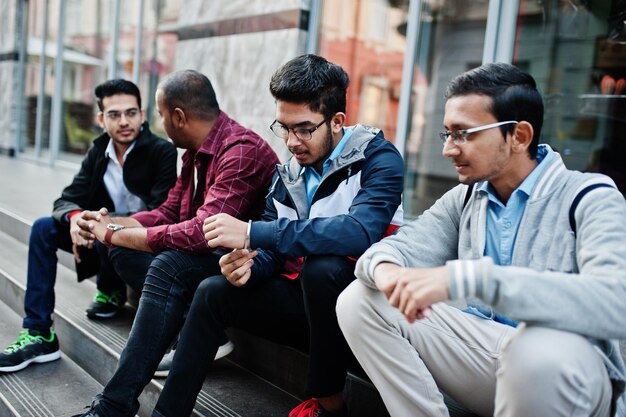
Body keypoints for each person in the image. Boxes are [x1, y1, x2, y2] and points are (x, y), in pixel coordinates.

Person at [336, 62, 626, 417]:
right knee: (359, 300)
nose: (448, 149)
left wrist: (469, 278)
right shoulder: (467, 197)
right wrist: (390, 275)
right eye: (447, 134)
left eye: (464, 133)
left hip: (565, 375)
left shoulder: (590, 197)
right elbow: (393, 249)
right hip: (489, 359)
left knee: (533, 350)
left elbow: (616, 304)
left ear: (519, 136)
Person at [145, 54, 405, 417]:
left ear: (337, 121)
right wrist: (249, 265)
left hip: (362, 311)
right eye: (283, 127)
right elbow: (270, 249)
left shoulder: (379, 159)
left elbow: (359, 232)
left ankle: (329, 406)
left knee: (323, 267)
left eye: (303, 129)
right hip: (304, 307)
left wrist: (253, 232)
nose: (291, 141)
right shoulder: (288, 173)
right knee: (212, 291)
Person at [71, 69, 280, 417]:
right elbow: (170, 212)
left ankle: (113, 406)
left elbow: (202, 233)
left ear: (178, 117)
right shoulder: (194, 153)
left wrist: (115, 232)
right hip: (209, 256)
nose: (159, 122)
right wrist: (109, 225)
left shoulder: (240, 150)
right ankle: (190, 327)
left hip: (248, 264)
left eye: (160, 114)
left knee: (167, 263)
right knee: (124, 249)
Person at [0, 79, 177, 373]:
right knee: (44, 228)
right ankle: (39, 333)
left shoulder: (162, 152)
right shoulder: (97, 152)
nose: (124, 122)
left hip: (143, 248)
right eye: (114, 114)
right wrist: (76, 220)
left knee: (104, 227)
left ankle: (112, 290)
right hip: (101, 240)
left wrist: (100, 222)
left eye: (131, 113)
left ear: (143, 115)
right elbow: (66, 200)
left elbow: (164, 213)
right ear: (101, 119)